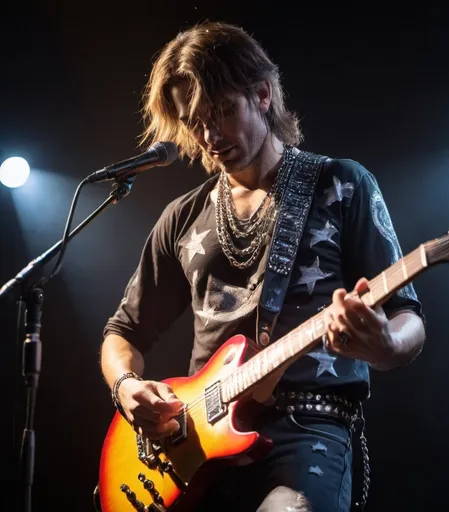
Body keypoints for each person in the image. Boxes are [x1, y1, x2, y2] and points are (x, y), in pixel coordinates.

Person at [99, 20, 426, 512]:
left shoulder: (341, 185)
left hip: (309, 429)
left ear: (263, 94)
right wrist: (126, 388)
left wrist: (385, 344)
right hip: (197, 450)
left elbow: (409, 318)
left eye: (221, 112)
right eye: (194, 122)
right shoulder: (182, 217)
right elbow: (121, 332)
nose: (209, 135)